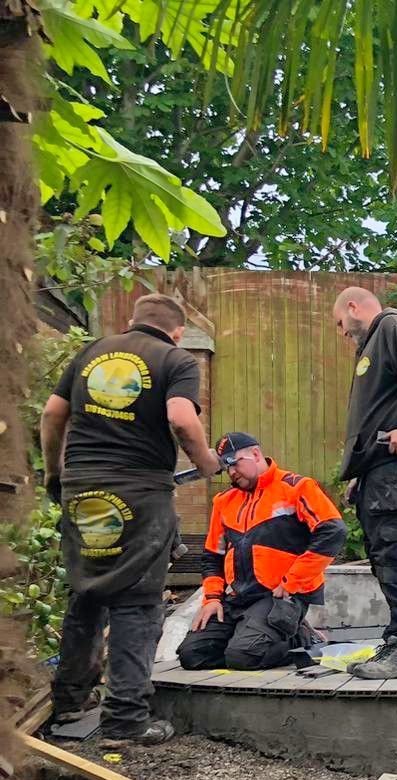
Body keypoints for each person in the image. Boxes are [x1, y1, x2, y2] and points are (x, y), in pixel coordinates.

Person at [40, 293, 221, 746]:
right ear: (177, 331)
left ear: (131, 321)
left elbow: (51, 413)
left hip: (82, 487)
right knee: (137, 603)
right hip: (138, 488)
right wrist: (205, 463)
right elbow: (181, 419)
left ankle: (71, 705)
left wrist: (55, 474)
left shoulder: (90, 352)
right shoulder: (175, 359)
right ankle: (125, 721)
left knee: (86, 592)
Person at [331, 286, 397, 680]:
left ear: (354, 307)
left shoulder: (393, 327)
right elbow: (375, 413)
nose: (342, 332)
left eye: (340, 322)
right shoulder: (373, 344)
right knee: (385, 557)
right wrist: (360, 472)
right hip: (379, 471)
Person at [177, 434, 347, 671]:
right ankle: (249, 638)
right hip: (237, 597)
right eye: (226, 467)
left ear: (256, 454)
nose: (231, 472)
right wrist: (212, 599)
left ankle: (303, 638)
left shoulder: (296, 487)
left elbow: (333, 531)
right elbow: (212, 556)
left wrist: (292, 582)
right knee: (191, 655)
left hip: (281, 596)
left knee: (244, 657)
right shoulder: (223, 501)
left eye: (234, 463)